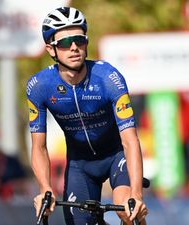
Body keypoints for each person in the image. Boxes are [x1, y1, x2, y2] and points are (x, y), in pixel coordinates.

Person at [26, 7, 148, 225]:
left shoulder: (109, 78)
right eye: (65, 43)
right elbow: (39, 146)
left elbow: (130, 140)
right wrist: (45, 188)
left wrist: (137, 195)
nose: (74, 47)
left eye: (79, 40)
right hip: (80, 164)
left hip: (116, 155)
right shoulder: (39, 87)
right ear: (50, 49)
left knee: (126, 209)